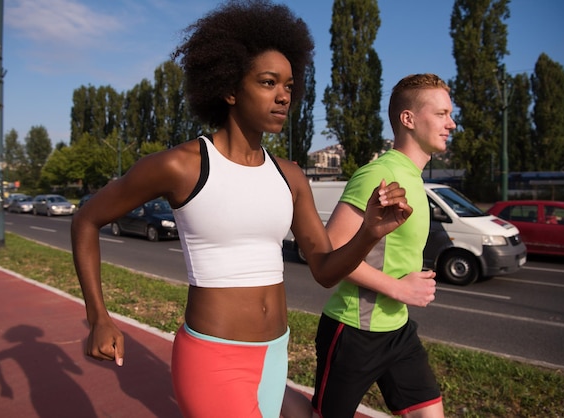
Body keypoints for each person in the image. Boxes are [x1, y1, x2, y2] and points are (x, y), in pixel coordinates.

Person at [71, 1, 412, 417]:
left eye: (289, 85)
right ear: (230, 88)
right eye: (269, 82)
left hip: (274, 354)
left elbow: (323, 269)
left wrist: (370, 233)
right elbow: (86, 219)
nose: (284, 96)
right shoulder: (181, 166)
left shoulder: (290, 177)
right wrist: (99, 317)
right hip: (213, 358)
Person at [312, 73, 456, 418]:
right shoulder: (379, 174)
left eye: (450, 114)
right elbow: (330, 252)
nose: (451, 123)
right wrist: (399, 288)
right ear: (408, 119)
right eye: (441, 114)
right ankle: (259, 389)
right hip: (354, 330)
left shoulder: (413, 179)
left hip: (397, 330)